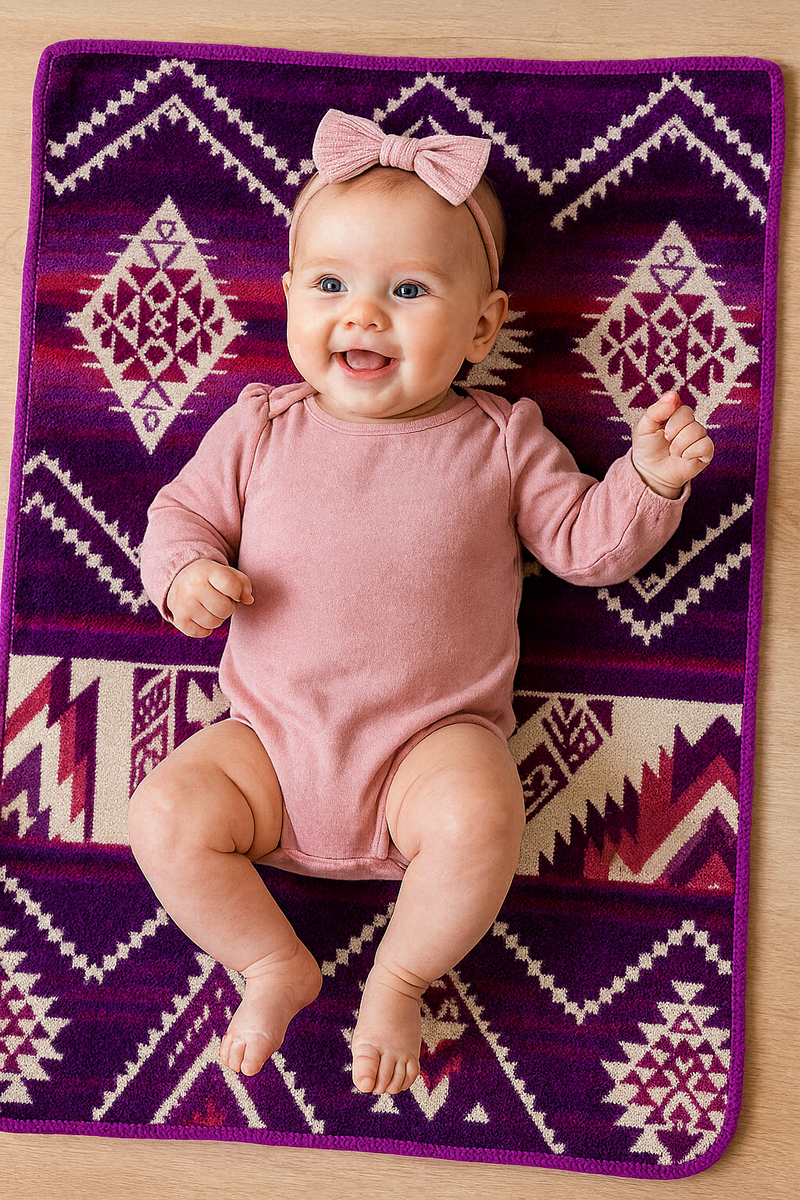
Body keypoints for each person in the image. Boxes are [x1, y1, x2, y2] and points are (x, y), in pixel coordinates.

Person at [129, 109, 714, 1096]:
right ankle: (272, 961)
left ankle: (397, 978)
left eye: (406, 291)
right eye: (329, 287)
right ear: (285, 301)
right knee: (162, 813)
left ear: (482, 326)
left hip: (425, 751)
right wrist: (185, 571)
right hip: (265, 748)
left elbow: (582, 544)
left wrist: (646, 480)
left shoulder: (499, 440)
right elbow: (178, 509)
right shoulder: (260, 426)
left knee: (482, 816)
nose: (360, 315)